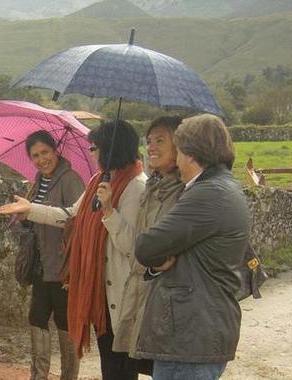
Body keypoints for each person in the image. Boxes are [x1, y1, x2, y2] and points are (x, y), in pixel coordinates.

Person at [0, 120, 148, 379]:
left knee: (122, 366)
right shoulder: (98, 180)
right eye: (35, 155)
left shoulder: (137, 187)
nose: (92, 152)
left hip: (121, 292)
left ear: (111, 148)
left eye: (95, 147)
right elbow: (70, 215)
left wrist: (109, 210)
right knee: (109, 362)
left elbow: (133, 247)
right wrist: (30, 209)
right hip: (98, 287)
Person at [133, 114, 251, 380]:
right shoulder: (224, 186)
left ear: (189, 154)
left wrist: (156, 258)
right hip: (199, 330)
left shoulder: (207, 194)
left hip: (189, 336)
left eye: (179, 150)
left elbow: (146, 246)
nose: (175, 160)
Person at [96, 116, 185, 377]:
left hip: (154, 294)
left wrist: (110, 212)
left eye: (160, 140)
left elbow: (136, 246)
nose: (152, 147)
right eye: (149, 141)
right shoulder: (153, 187)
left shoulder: (150, 188)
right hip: (139, 292)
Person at [20, 131, 85, 380]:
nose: (40, 159)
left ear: (55, 151)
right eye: (35, 155)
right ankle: (39, 376)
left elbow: (74, 219)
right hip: (40, 266)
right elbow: (32, 221)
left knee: (65, 324)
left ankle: (68, 376)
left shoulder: (70, 180)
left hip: (63, 267)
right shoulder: (36, 182)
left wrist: (36, 211)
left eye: (45, 152)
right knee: (37, 319)